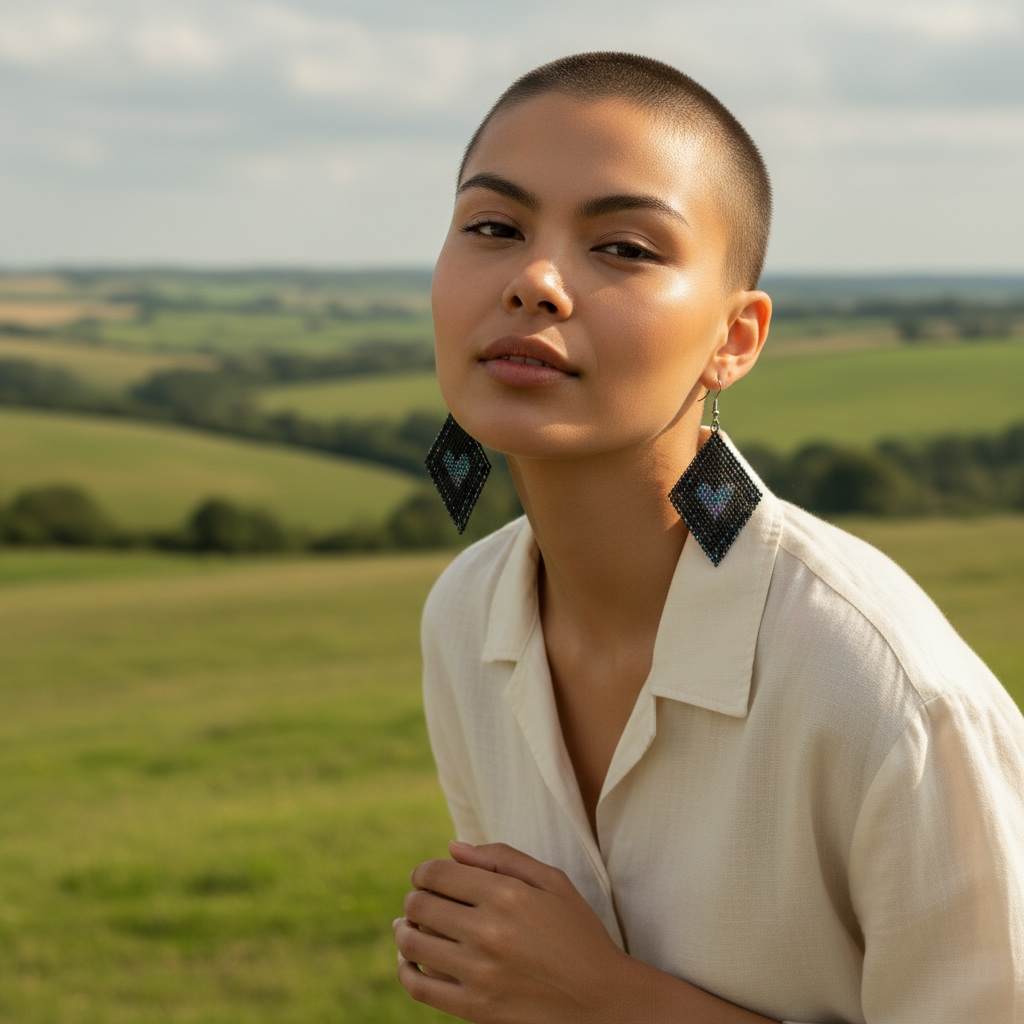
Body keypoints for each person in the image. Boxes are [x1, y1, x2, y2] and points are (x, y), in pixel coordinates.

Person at [392, 52, 1024, 1024]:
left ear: (735, 338)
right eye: (493, 227)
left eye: (626, 248)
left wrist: (605, 999)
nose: (535, 280)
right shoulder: (465, 615)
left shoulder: (885, 691)